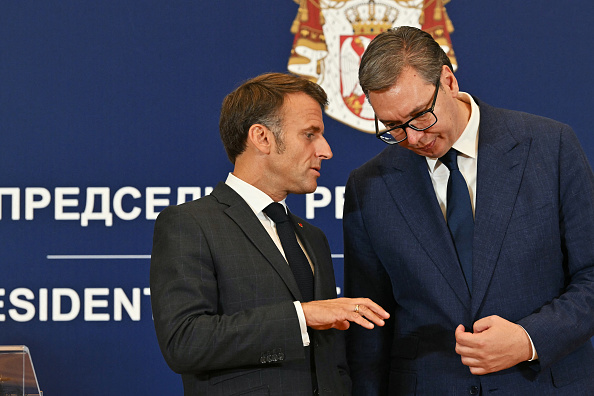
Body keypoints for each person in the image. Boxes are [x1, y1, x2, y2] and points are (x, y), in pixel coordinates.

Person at [343, 26, 594, 395]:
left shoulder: (549, 147)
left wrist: (529, 339)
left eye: (419, 116)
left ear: (448, 80)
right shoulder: (369, 185)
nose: (413, 138)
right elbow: (370, 329)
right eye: (393, 127)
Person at [150, 72, 389, 396]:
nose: (326, 150)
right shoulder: (190, 224)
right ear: (261, 137)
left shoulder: (312, 237)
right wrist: (301, 316)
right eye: (310, 134)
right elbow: (185, 341)